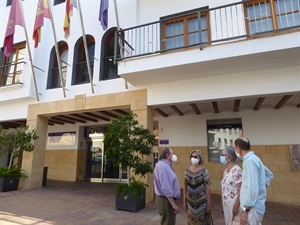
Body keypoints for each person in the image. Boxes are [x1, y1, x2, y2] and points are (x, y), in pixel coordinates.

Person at [234, 137, 273, 225]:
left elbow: (252, 188)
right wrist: (261, 186)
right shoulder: (254, 158)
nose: (235, 150)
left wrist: (245, 211)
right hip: (255, 206)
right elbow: (269, 174)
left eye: (235, 148)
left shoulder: (249, 161)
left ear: (239, 148)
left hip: (252, 209)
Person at [183, 150, 212, 225]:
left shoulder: (204, 171)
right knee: (191, 221)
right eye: (192, 156)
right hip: (190, 203)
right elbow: (185, 186)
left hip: (201, 203)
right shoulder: (187, 170)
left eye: (195, 157)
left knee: (202, 222)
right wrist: (184, 201)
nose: (193, 158)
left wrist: (208, 204)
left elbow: (207, 187)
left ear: (200, 158)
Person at [154, 147, 181, 225]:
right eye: (173, 153)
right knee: (168, 222)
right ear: (167, 155)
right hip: (166, 201)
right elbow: (165, 187)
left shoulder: (166, 165)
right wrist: (173, 205)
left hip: (166, 200)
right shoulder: (163, 167)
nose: (174, 155)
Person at [220, 147, 243, 225]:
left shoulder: (236, 170)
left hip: (234, 205)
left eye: (223, 155)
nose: (221, 157)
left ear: (229, 158)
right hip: (226, 203)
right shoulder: (226, 171)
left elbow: (241, 190)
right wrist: (222, 204)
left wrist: (236, 206)